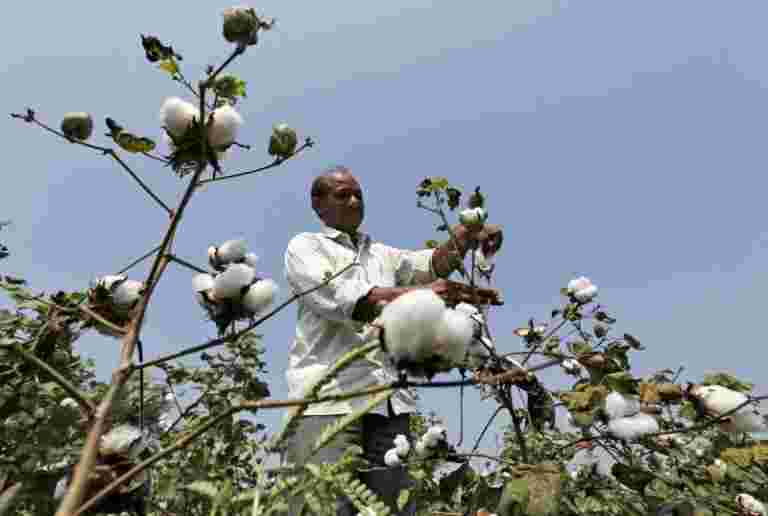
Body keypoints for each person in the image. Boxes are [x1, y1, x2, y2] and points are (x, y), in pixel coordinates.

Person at [282, 166, 503, 515]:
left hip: (390, 408)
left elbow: (432, 264)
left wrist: (466, 234)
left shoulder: (381, 254)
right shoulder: (306, 247)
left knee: (393, 510)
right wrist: (423, 294)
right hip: (328, 403)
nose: (354, 201)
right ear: (318, 205)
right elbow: (348, 300)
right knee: (320, 505)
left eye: (358, 195)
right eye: (342, 195)